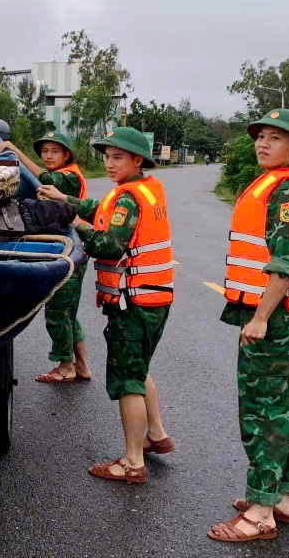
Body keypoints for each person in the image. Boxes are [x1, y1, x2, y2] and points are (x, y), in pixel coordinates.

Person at [208, 109, 289, 543]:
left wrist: (259, 317)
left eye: (276, 138)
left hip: (275, 318)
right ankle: (282, 497)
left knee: (264, 411)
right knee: (285, 404)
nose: (263, 143)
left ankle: (260, 512)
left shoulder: (288, 191)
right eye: (261, 136)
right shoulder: (288, 183)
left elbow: (285, 262)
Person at [38, 127, 175, 483]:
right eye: (107, 157)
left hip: (134, 301)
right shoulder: (144, 190)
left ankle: (132, 462)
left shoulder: (128, 198)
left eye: (117, 157)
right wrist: (66, 199)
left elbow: (110, 244)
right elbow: (101, 209)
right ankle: (156, 436)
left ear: (137, 160)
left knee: (126, 378)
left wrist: (77, 225)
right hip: (153, 297)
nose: (109, 164)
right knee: (139, 365)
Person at [0, 130, 91, 383]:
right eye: (45, 151)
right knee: (68, 312)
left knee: (57, 311)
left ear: (67, 155)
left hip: (72, 250)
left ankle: (66, 365)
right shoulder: (62, 176)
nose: (48, 156)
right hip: (72, 249)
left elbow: (44, 176)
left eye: (55, 151)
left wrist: (14, 151)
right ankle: (82, 366)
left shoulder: (68, 178)